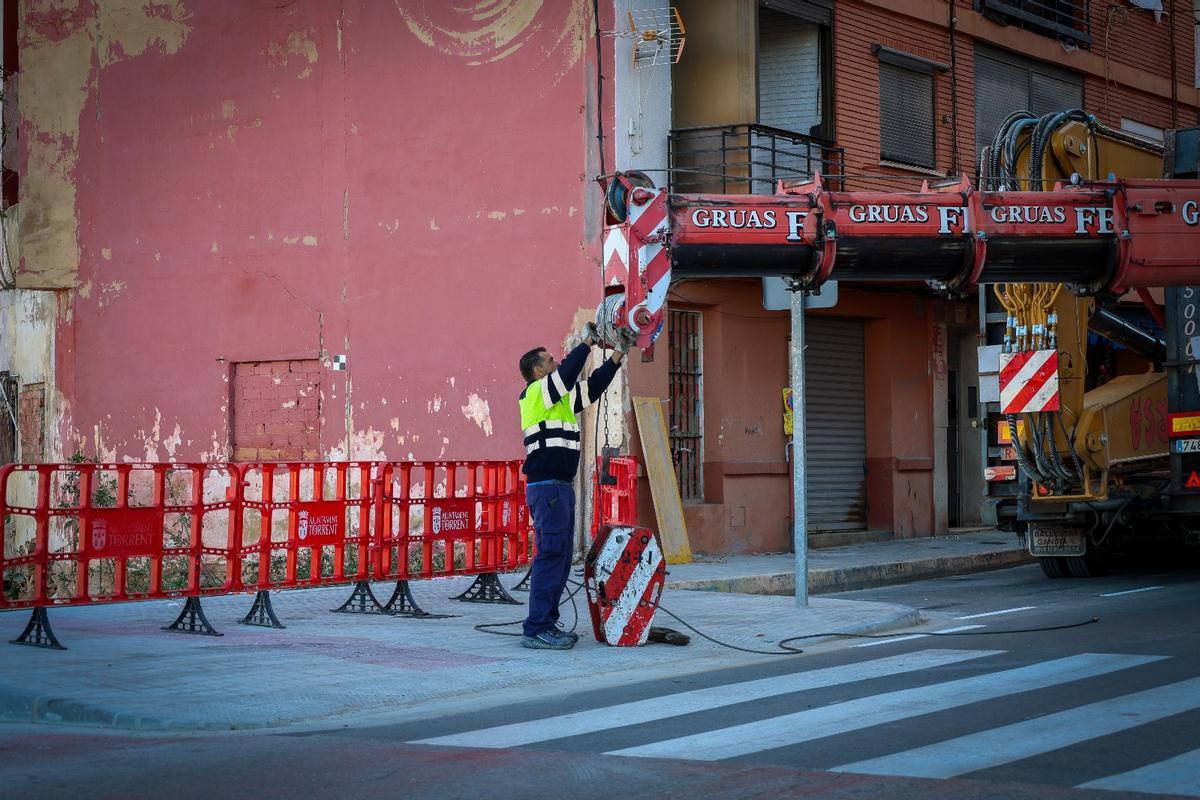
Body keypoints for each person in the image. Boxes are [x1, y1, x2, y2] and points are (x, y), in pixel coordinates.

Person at [516, 322, 636, 649]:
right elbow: (568, 373)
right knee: (551, 556)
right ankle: (537, 628)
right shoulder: (535, 394)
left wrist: (618, 354)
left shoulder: (561, 400)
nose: (556, 362)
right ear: (538, 371)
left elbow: (593, 386)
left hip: (559, 488)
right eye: (550, 360)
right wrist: (587, 342)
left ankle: (545, 623)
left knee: (560, 557)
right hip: (548, 488)